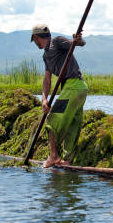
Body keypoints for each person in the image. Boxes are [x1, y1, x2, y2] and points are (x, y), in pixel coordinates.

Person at [30, 24, 88, 168]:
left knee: (51, 119)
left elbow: (78, 44)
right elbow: (47, 80)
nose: (35, 43)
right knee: (72, 125)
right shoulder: (46, 56)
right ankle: (67, 160)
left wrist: (77, 40)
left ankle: (54, 156)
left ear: (36, 37)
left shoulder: (57, 42)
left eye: (34, 40)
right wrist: (44, 99)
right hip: (79, 88)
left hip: (74, 86)